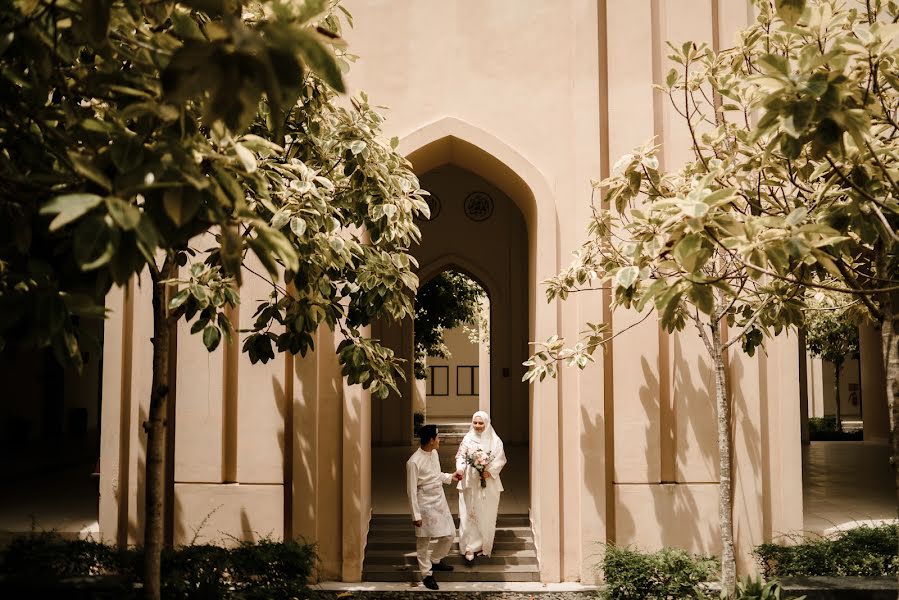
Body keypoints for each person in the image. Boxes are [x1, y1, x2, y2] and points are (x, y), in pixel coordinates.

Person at [406, 424, 461, 590]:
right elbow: (411, 490)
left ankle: (436, 560)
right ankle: (426, 574)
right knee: (424, 540)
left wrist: (451, 477)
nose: (439, 440)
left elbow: (436, 476)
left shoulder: (434, 453)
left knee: (450, 534)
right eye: (437, 438)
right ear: (431, 440)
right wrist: (416, 515)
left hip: (439, 500)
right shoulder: (413, 462)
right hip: (424, 503)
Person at [454, 410, 506, 566]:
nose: (477, 426)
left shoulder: (495, 441)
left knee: (485, 512)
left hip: (487, 483)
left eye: (481, 423)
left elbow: (500, 459)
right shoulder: (467, 439)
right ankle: (468, 547)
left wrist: (489, 472)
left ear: (486, 423)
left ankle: (483, 544)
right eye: (475, 423)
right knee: (468, 513)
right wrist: (460, 469)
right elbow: (461, 456)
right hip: (469, 482)